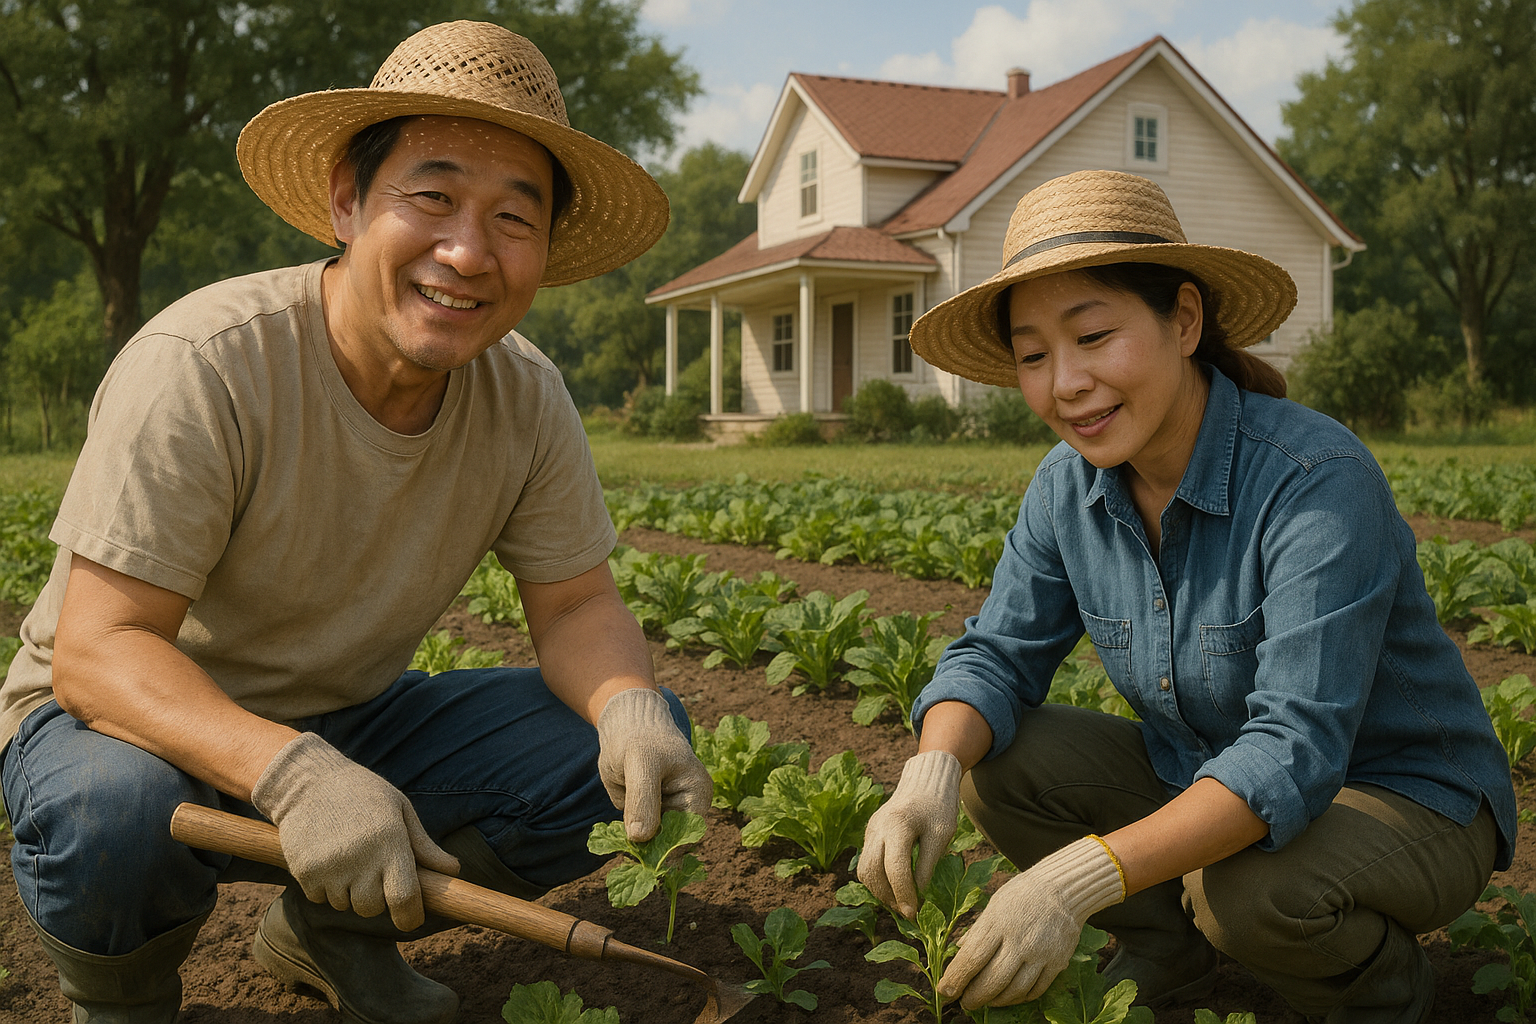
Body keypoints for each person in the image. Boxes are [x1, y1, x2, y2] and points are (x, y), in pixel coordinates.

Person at [0, 21, 710, 1024]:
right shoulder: (206, 364)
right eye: (432, 197)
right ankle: (120, 997)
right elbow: (98, 651)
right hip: (124, 729)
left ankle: (335, 932)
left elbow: (577, 600)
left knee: (606, 744)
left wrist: (629, 703)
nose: (468, 251)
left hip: (345, 721)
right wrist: (290, 771)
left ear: (544, 251)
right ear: (346, 200)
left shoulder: (528, 397)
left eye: (515, 217)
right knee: (106, 811)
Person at [858, 169, 1516, 1024]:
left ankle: (1385, 996)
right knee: (996, 764)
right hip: (1206, 774)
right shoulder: (1069, 488)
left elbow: (1292, 749)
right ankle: (1169, 954)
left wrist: (1073, 879)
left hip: (1403, 797)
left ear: (1185, 320)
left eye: (1092, 335)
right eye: (1033, 355)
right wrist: (929, 771)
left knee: (1246, 890)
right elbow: (996, 653)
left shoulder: (1316, 482)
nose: (1064, 383)